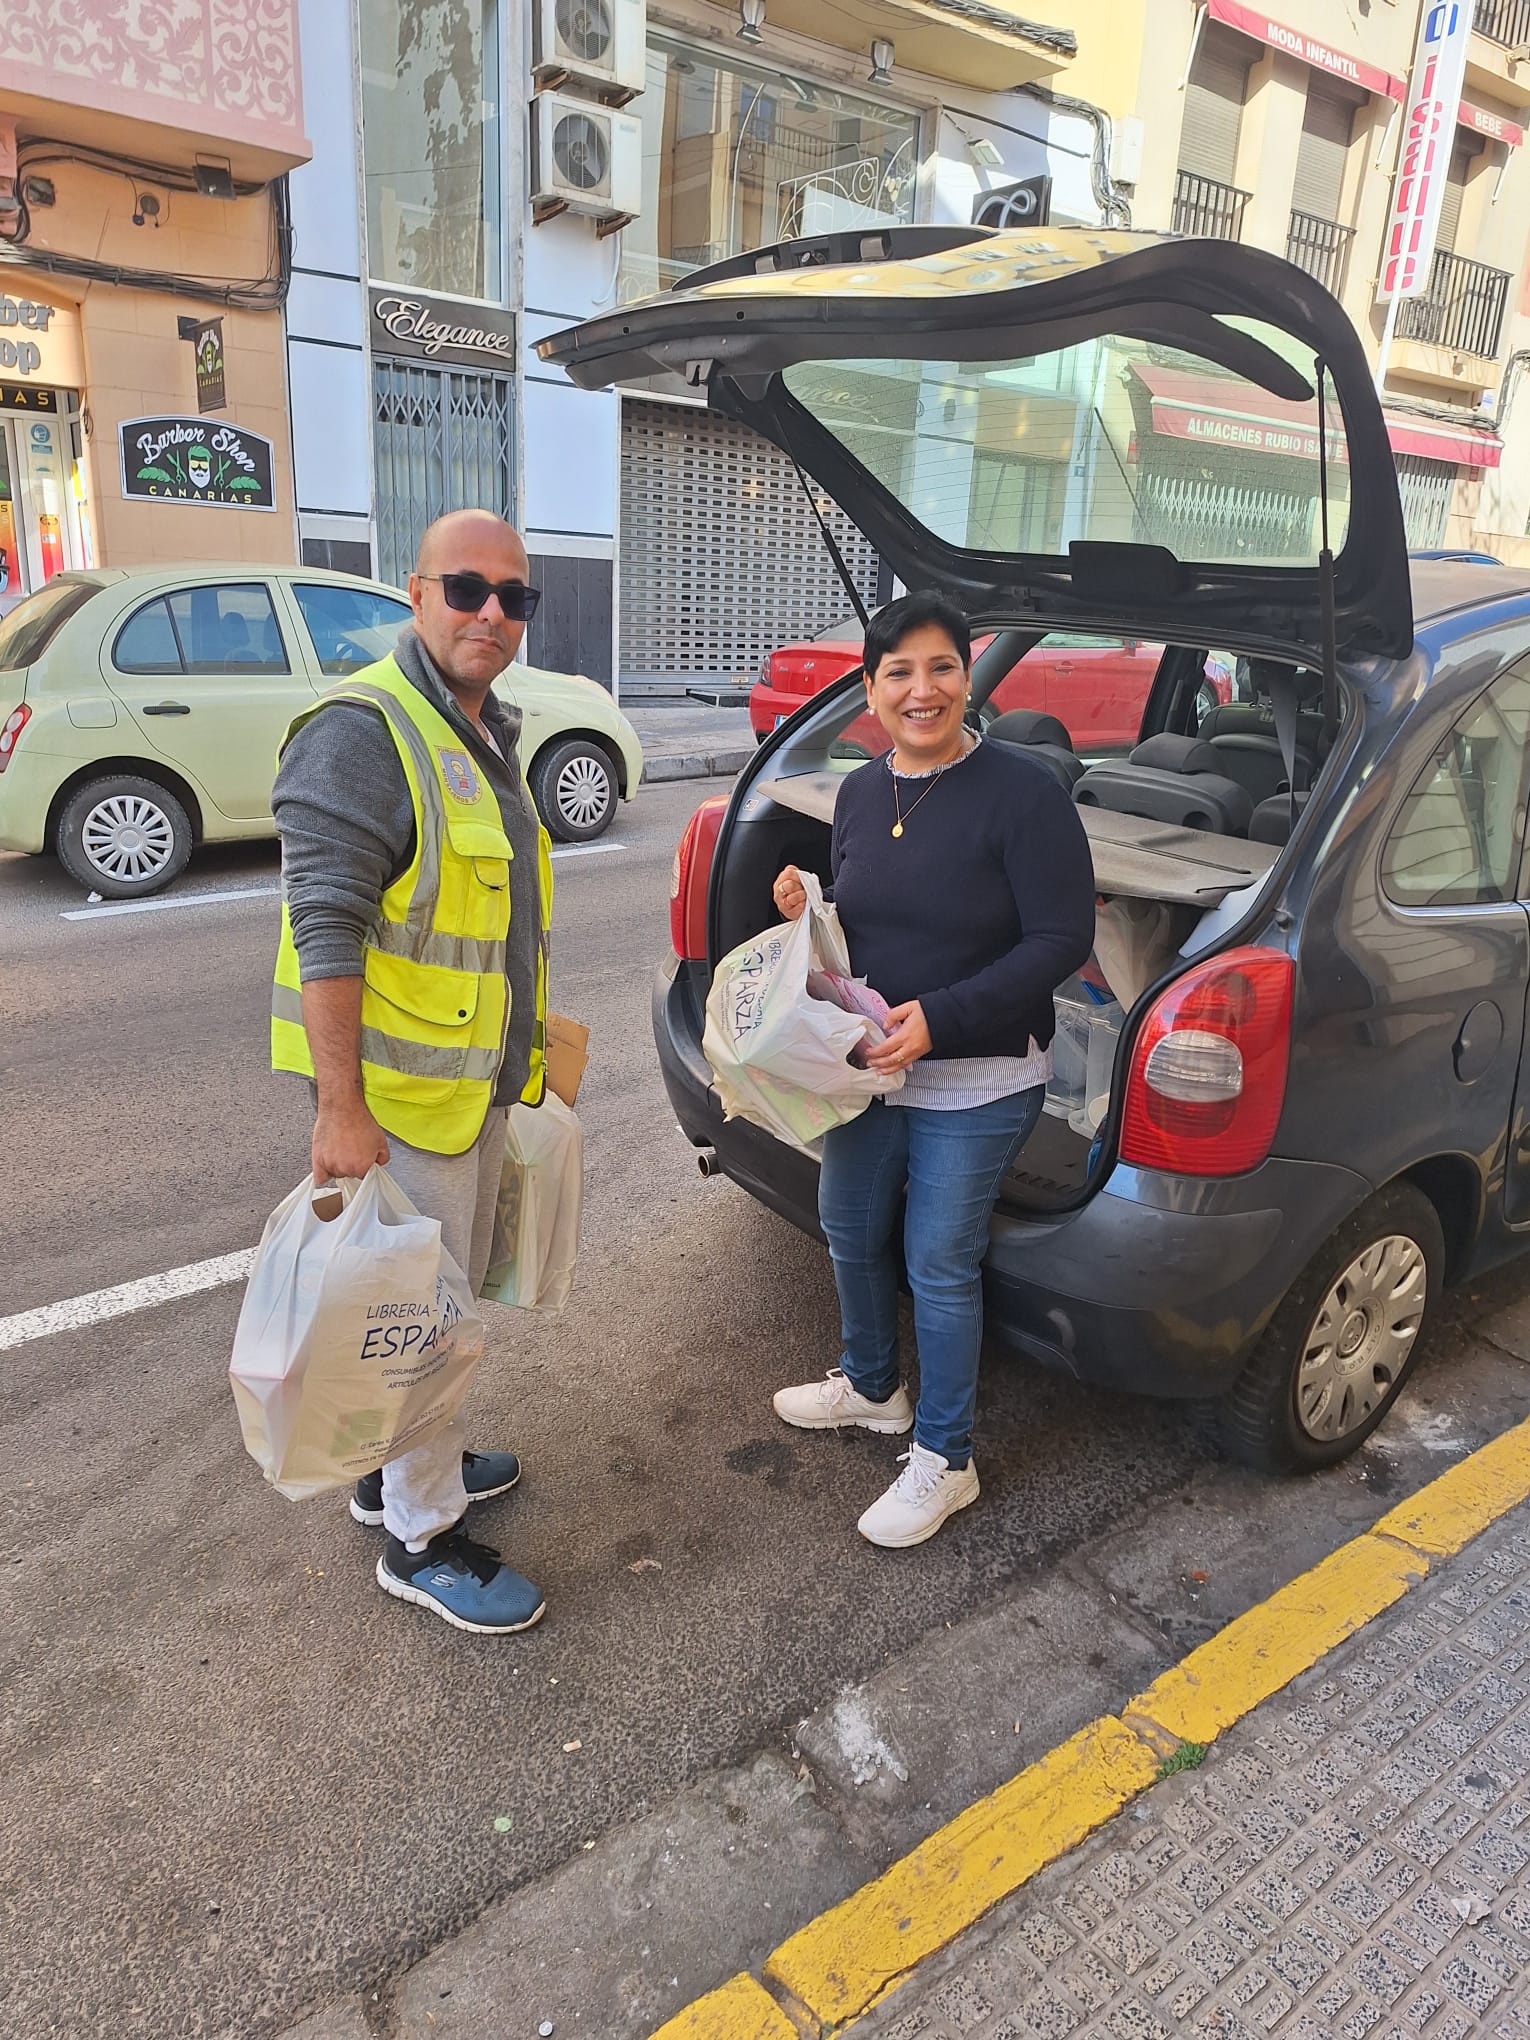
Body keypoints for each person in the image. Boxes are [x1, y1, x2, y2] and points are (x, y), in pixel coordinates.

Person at [270, 509, 554, 1635]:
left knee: (420, 1315)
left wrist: (534, 1056)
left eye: (515, 597)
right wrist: (341, 1109)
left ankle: (393, 1472)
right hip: (395, 1106)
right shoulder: (365, 731)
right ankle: (423, 1538)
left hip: (462, 1091)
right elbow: (325, 927)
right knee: (419, 1327)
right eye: (467, 588)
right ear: (416, 591)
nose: (492, 613)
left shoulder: (479, 730)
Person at [771, 592, 1095, 1548]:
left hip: (982, 1073)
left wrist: (942, 1019)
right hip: (876, 1066)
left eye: (942, 666)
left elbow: (1061, 940)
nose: (924, 689)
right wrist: (810, 905)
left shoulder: (1023, 795)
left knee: (938, 1259)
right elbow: (870, 916)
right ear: (871, 691)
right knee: (846, 1220)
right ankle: (875, 1387)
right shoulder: (862, 791)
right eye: (899, 672)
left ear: (969, 676)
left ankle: (948, 1458)